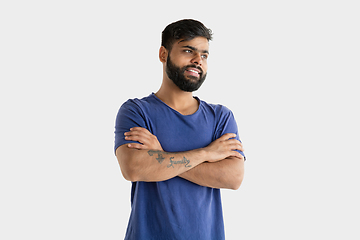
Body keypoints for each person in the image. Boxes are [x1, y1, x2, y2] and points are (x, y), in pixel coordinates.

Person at [114, 19, 245, 240]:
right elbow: (134, 168)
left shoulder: (220, 117)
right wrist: (206, 154)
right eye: (188, 51)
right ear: (163, 54)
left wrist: (160, 157)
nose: (198, 61)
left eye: (204, 55)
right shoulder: (136, 111)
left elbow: (233, 178)